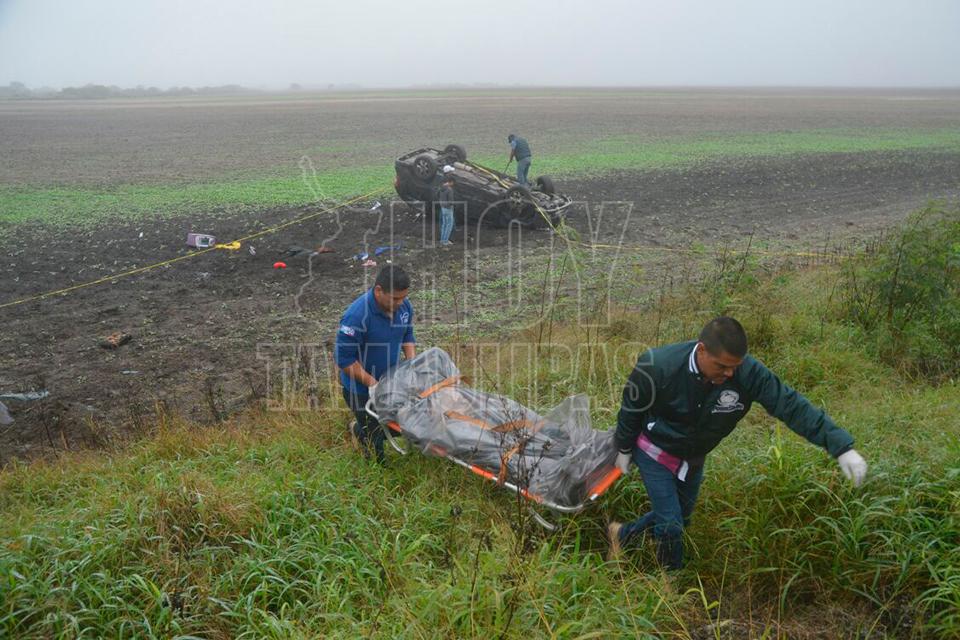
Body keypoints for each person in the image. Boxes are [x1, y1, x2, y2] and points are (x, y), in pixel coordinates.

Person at [608, 316, 868, 569]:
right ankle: (668, 581)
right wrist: (624, 447)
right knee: (671, 525)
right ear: (702, 350)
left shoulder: (747, 373)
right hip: (655, 450)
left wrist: (840, 447)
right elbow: (632, 407)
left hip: (694, 455)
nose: (730, 373)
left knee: (681, 519)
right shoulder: (657, 364)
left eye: (735, 366)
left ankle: (622, 534)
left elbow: (791, 405)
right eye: (722, 366)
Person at [335, 265, 416, 463]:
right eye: (395, 298)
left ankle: (359, 428)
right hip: (361, 390)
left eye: (404, 297)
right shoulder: (356, 317)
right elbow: (344, 360)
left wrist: (412, 364)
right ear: (379, 291)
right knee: (375, 440)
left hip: (391, 381)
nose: (401, 303)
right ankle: (374, 459)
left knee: (404, 426)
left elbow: (407, 335)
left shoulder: (404, 307)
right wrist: (373, 384)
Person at [437, 175, 456, 246]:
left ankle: (442, 240)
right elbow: (451, 201)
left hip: (442, 208)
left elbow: (437, 195)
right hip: (448, 209)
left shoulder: (441, 187)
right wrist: (454, 204)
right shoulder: (449, 189)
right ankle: (445, 241)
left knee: (444, 224)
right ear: (451, 182)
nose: (453, 184)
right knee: (449, 225)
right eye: (453, 183)